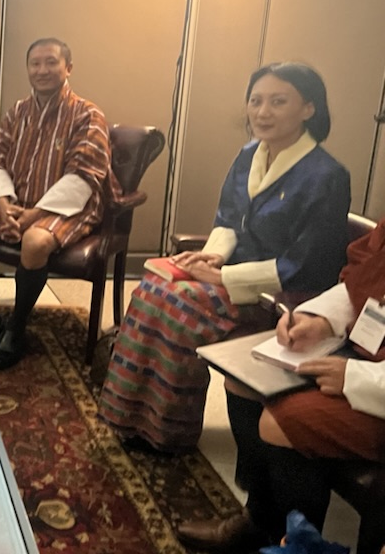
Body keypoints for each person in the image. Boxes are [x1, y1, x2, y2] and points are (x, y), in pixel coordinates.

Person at [99, 62, 351, 452]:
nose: (262, 112)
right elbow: (229, 219)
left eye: (278, 102)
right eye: (256, 101)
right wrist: (212, 257)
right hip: (233, 276)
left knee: (183, 306)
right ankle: (131, 419)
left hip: (283, 294)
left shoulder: (326, 175)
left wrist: (225, 279)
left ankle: (168, 432)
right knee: (153, 289)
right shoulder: (249, 154)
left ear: (309, 108)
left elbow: (308, 263)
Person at [177, 215, 385, 551]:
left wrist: (354, 378)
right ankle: (259, 519)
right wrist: (320, 320)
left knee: (281, 421)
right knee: (243, 380)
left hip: (377, 385)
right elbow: (360, 284)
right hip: (366, 351)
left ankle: (299, 543)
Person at [0, 37, 113, 370]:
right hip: (15, 201)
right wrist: (2, 204)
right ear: (28, 69)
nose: (42, 70)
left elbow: (85, 175)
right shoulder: (18, 111)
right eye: (35, 63)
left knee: (35, 241)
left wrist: (32, 216)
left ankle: (16, 327)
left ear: (68, 68)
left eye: (51, 62)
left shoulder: (87, 114)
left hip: (66, 207)